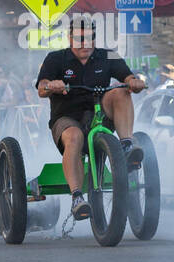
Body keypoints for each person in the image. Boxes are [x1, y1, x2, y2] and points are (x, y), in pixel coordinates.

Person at [35, 15, 147, 220]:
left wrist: (134, 81)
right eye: (79, 38)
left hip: (99, 114)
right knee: (75, 137)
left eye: (90, 38)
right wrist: (52, 85)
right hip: (67, 118)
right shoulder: (55, 58)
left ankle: (127, 146)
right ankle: (77, 198)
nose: (85, 44)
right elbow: (41, 88)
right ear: (70, 39)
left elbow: (127, 76)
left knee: (122, 91)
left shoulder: (109, 56)